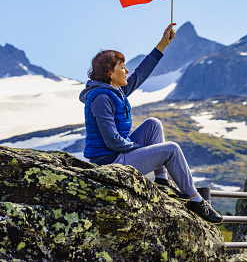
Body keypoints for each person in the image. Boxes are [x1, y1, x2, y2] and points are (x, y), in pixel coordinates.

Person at [78, 23, 222, 224]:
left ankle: (162, 179)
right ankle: (195, 199)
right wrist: (144, 150)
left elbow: (142, 72)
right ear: (110, 72)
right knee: (170, 150)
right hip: (110, 162)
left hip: (118, 154)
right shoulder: (101, 98)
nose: (127, 71)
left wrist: (163, 44)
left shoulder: (115, 91)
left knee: (153, 124)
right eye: (122, 67)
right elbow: (112, 141)